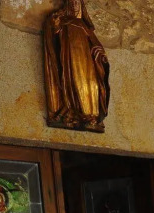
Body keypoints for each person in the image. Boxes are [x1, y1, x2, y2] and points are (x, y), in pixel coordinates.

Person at [43, 0, 110, 132]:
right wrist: (55, 24)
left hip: (86, 63)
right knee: (71, 82)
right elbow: (55, 36)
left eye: (77, 3)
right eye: (72, 2)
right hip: (70, 59)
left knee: (90, 85)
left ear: (81, 6)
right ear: (68, 4)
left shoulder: (83, 25)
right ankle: (72, 110)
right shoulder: (63, 21)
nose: (75, 5)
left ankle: (91, 115)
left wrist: (100, 53)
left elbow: (95, 43)